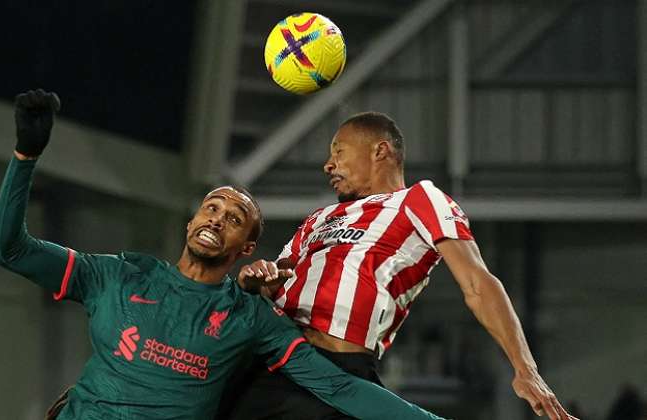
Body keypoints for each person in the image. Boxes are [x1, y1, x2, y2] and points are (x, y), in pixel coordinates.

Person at [0, 91, 448, 419]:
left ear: (246, 248)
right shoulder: (118, 276)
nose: (216, 219)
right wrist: (25, 156)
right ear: (190, 222)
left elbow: (340, 387)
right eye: (211, 207)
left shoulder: (249, 319)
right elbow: (8, 250)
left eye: (233, 218)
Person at [229, 111, 579, 420]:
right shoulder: (319, 218)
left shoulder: (418, 199)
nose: (328, 165)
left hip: (341, 368)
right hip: (278, 358)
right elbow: (279, 275)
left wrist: (525, 368)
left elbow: (477, 282)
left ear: (380, 150)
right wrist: (259, 277)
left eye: (338, 151)